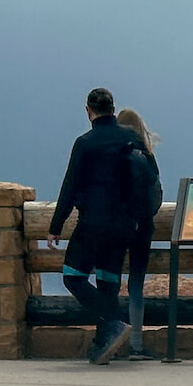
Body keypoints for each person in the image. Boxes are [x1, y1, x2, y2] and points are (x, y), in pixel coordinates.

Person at [47, 88, 145, 365]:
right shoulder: (132, 138)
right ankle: (103, 346)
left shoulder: (85, 143)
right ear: (113, 109)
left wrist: (56, 226)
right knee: (107, 283)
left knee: (73, 277)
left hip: (93, 224)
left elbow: (70, 187)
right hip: (126, 225)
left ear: (88, 110)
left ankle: (113, 324)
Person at [115, 108, 163, 360]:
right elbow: (156, 195)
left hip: (114, 226)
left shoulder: (112, 152)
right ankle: (136, 344)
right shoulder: (146, 154)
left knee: (109, 282)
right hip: (142, 227)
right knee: (136, 286)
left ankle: (108, 337)